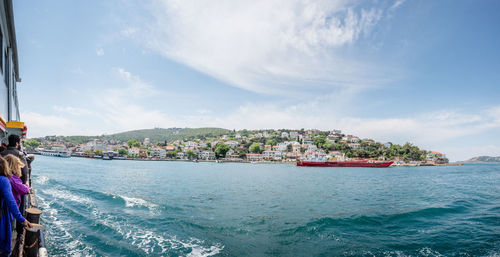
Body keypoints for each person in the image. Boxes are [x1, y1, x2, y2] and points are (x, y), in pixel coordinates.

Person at [0, 156, 31, 256]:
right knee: (5, 239)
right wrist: (22, 219)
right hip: (4, 214)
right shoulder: (4, 180)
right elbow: (11, 202)